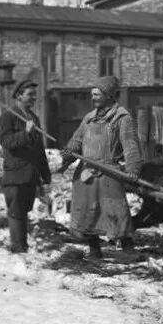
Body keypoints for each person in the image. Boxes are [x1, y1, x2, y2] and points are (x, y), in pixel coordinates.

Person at [60, 76, 143, 259]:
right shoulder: (89, 118)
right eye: (92, 94)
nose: (94, 97)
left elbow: (130, 145)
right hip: (85, 173)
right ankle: (94, 248)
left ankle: (128, 248)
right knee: (88, 212)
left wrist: (133, 169)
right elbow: (77, 139)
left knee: (116, 209)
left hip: (109, 173)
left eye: (97, 94)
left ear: (109, 95)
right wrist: (69, 151)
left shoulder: (122, 118)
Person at [0, 79, 51, 253]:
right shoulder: (8, 116)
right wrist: (26, 133)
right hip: (15, 172)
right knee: (16, 212)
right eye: (30, 94)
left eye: (35, 95)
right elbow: (7, 142)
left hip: (30, 174)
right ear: (19, 96)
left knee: (24, 210)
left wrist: (45, 174)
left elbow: (39, 149)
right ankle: (18, 248)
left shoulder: (33, 118)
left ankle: (22, 247)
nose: (33, 98)